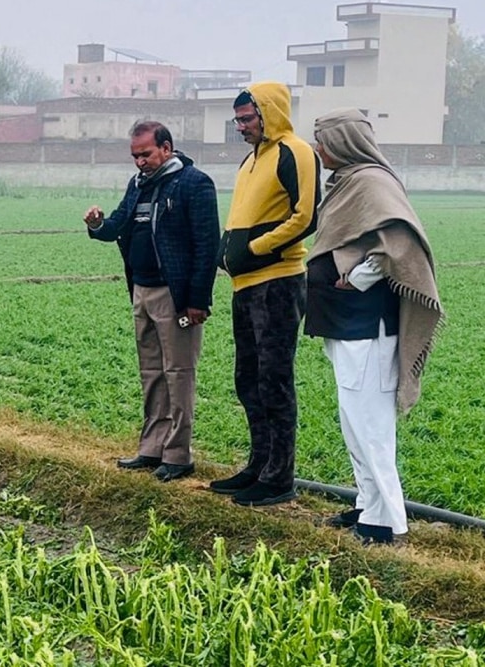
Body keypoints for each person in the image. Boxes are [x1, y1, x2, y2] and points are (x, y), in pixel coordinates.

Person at [305, 109, 443, 545]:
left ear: (343, 142)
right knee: (353, 420)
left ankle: (388, 525)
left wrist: (358, 276)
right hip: (345, 321)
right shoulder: (347, 181)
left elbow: (399, 243)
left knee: (372, 426)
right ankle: (368, 504)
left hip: (368, 323)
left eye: (323, 141)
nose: (318, 149)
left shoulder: (372, 182)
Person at [83, 121, 220, 482]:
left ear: (166, 148)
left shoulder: (194, 184)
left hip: (175, 297)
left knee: (178, 373)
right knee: (152, 374)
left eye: (145, 154)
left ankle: (178, 454)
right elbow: (117, 225)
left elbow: (207, 246)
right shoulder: (138, 186)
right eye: (135, 156)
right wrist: (98, 224)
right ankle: (152, 447)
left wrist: (197, 300)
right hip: (141, 292)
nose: (139, 162)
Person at [210, 82, 320, 506]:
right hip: (245, 286)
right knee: (248, 378)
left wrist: (255, 249)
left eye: (247, 118)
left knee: (274, 379)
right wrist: (226, 251)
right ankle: (259, 464)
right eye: (236, 120)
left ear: (269, 112)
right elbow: (243, 216)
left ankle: (280, 476)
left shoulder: (296, 151)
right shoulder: (250, 160)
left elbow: (306, 215)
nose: (240, 126)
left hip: (278, 281)